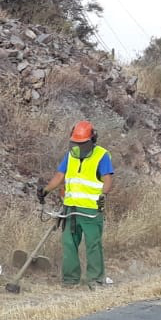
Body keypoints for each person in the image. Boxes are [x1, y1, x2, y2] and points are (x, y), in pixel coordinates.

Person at [36, 120, 113, 288]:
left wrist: (103, 195)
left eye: (82, 143)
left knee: (93, 244)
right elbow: (59, 176)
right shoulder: (71, 155)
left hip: (91, 210)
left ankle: (96, 280)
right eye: (75, 143)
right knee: (69, 243)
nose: (78, 146)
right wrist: (46, 190)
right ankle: (70, 280)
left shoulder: (102, 155)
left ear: (92, 140)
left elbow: (107, 179)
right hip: (71, 208)